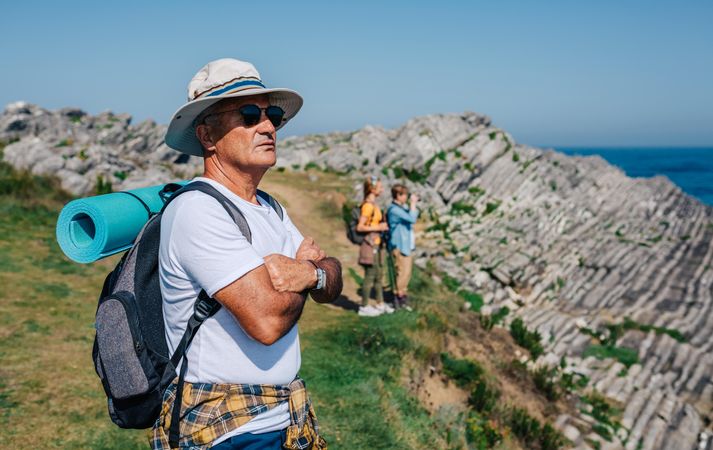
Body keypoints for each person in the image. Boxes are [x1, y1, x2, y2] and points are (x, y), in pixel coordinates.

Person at [154, 58, 341, 449]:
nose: (269, 125)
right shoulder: (197, 210)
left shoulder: (270, 208)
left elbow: (333, 277)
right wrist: (309, 267)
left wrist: (308, 274)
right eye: (249, 114)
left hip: (282, 419)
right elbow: (268, 321)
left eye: (271, 113)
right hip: (225, 430)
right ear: (208, 136)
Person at [355, 176, 393, 317]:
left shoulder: (373, 204)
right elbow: (360, 226)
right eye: (380, 187)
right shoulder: (368, 206)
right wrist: (380, 226)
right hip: (370, 246)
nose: (382, 189)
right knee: (370, 276)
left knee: (378, 275)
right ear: (372, 188)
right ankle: (364, 306)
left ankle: (379, 303)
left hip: (376, 245)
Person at [386, 184, 419, 309]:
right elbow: (412, 218)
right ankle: (398, 299)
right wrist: (413, 204)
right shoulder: (394, 210)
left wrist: (411, 205)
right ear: (398, 195)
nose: (407, 197)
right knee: (402, 272)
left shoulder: (401, 208)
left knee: (407, 272)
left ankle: (402, 297)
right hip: (399, 245)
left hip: (406, 245)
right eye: (404, 194)